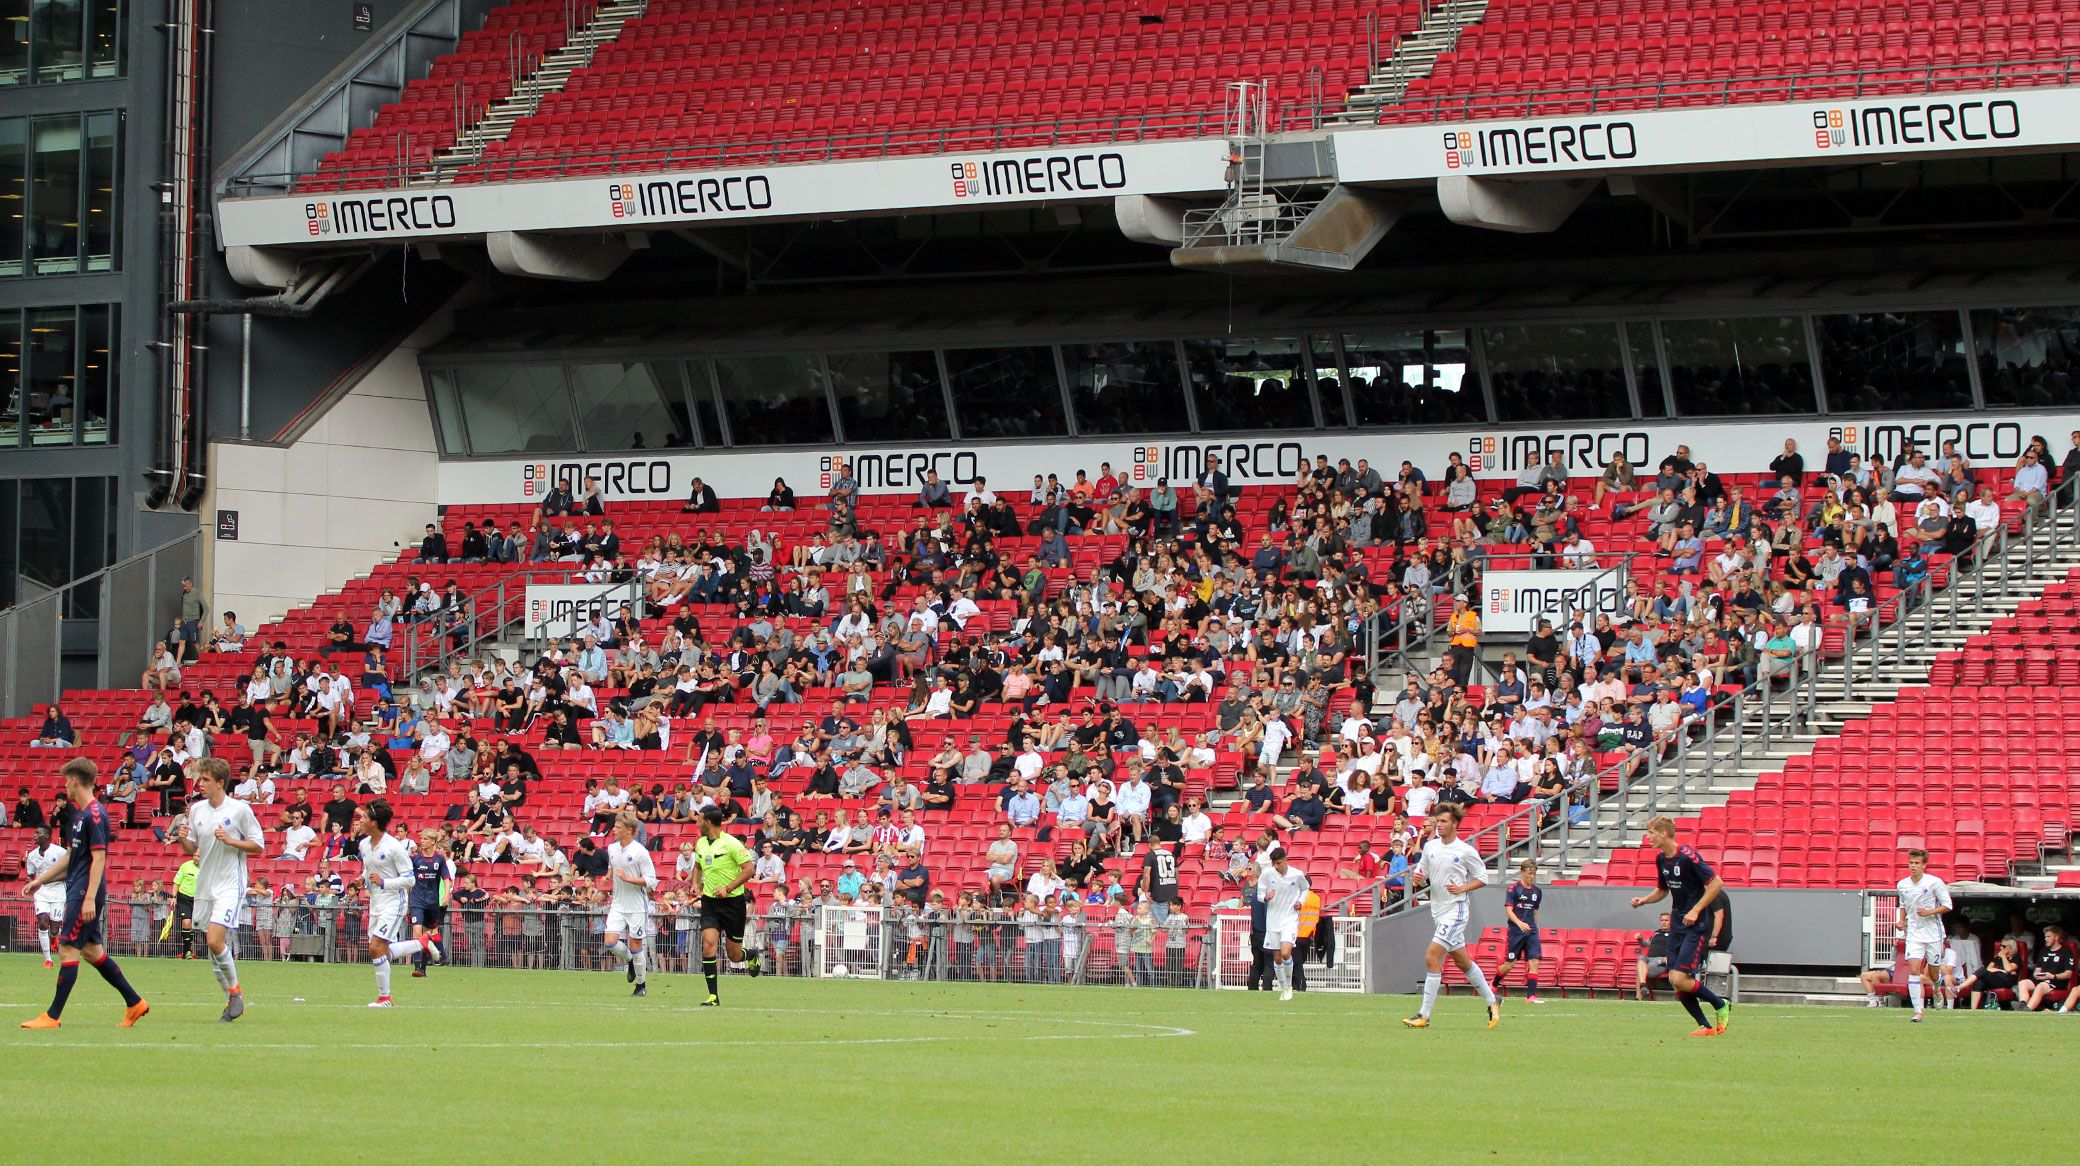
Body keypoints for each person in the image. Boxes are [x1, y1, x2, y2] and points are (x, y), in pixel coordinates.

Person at [19, 758, 150, 1030]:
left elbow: (99, 858)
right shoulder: (80, 815)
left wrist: (89, 897)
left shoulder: (96, 815)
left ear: (75, 780)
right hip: (78, 890)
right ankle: (135, 1002)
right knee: (92, 952)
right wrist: (40, 881)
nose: (65, 785)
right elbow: (71, 855)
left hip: (84, 893)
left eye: (67, 780)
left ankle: (52, 1016)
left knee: (67, 948)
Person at [177, 758, 264, 1022]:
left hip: (230, 882)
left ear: (220, 783)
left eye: (205, 779)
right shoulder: (197, 810)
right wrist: (183, 839)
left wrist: (231, 840)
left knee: (215, 940)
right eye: (200, 778)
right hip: (205, 884)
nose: (200, 783)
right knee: (211, 945)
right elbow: (192, 850)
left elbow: (258, 846)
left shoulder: (239, 810)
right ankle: (231, 999)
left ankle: (235, 992)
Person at [1402, 804, 1501, 1029]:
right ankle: (1492, 999)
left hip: (1456, 911)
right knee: (1462, 962)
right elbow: (1423, 873)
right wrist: (1418, 879)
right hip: (1437, 909)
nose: (1439, 825)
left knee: (1431, 957)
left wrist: (1463, 888)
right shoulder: (1430, 846)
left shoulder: (1464, 850)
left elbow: (1483, 877)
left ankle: (1424, 1015)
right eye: (1438, 821)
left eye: (1444, 821)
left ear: (1455, 823)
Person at [1629, 816, 1730, 1035]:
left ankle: (1720, 1004)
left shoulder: (1688, 857)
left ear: (1664, 833)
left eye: (1651, 833)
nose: (1648, 838)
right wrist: (1645, 900)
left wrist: (1696, 910)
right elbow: (1663, 890)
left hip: (1696, 925)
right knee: (1679, 984)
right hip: (1677, 924)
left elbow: (1717, 883)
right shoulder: (1661, 859)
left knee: (1678, 978)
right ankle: (1705, 1026)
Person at [355, 798, 437, 1007]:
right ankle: (422, 942)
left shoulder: (394, 847)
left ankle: (385, 998)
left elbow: (409, 879)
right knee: (380, 950)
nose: (360, 820)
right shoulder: (364, 844)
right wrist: (362, 878)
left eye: (364, 817)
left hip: (394, 900)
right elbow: (368, 869)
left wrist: (384, 882)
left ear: (373, 822)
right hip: (376, 901)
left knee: (376, 947)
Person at [695, 806, 759, 1005]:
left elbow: (749, 870)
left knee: (734, 955)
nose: (696, 823)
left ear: (708, 822)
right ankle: (713, 996)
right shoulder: (700, 843)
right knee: (709, 944)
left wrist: (728, 888)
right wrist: (695, 884)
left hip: (733, 904)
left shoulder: (731, 843)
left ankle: (751, 954)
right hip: (710, 903)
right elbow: (697, 866)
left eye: (699, 820)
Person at [1891, 849, 1951, 1022]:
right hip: (1914, 933)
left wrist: (1929, 912)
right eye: (1911, 863)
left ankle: (1937, 987)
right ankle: (1918, 1011)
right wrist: (1902, 921)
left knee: (1933, 972)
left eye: (1917, 863)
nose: (1913, 866)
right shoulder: (1903, 884)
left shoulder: (1934, 883)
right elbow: (1903, 904)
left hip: (1933, 932)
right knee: (1914, 969)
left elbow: (1948, 905)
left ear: (1924, 865)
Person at [605, 809, 660, 997]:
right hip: (618, 903)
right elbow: (612, 868)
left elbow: (651, 880)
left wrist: (628, 879)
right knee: (610, 942)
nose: (614, 829)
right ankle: (629, 961)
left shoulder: (640, 852)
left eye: (618, 827)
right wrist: (607, 877)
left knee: (637, 946)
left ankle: (641, 984)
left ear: (629, 830)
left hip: (636, 905)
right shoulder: (612, 848)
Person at [1255, 847, 1309, 1002]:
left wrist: (1300, 902)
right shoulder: (1267, 874)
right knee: (1277, 958)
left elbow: (1305, 889)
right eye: (1274, 863)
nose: (1276, 866)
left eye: (1279, 863)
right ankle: (1283, 987)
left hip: (1289, 919)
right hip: (1273, 921)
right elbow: (1259, 894)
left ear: (1286, 859)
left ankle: (1289, 987)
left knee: (1286, 953)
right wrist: (1266, 897)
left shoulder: (1297, 874)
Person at [1493, 859, 1544, 1004]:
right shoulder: (1514, 889)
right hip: (1516, 931)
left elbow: (1535, 911)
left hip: (1531, 931)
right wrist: (1520, 923)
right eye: (1529, 873)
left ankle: (1530, 996)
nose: (1531, 877)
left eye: (1533, 874)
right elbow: (1508, 911)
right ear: (1522, 872)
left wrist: (1534, 927)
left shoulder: (1537, 892)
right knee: (1510, 964)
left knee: (1534, 961)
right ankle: (1494, 984)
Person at [408, 829, 454, 979]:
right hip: (417, 901)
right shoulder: (415, 858)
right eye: (422, 838)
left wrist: (446, 895)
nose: (422, 841)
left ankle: (424, 967)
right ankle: (417, 966)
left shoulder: (439, 859)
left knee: (428, 934)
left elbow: (446, 878)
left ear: (433, 842)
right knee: (416, 932)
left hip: (432, 902)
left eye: (426, 839)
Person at [24, 826, 65, 967]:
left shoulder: (60, 852)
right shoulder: (32, 855)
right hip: (41, 892)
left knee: (54, 929)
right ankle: (48, 959)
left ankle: (54, 936)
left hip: (58, 892)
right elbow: (30, 875)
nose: (34, 835)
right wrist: (29, 882)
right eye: (34, 832)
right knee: (42, 923)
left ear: (47, 836)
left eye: (38, 833)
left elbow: (69, 871)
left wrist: (50, 879)